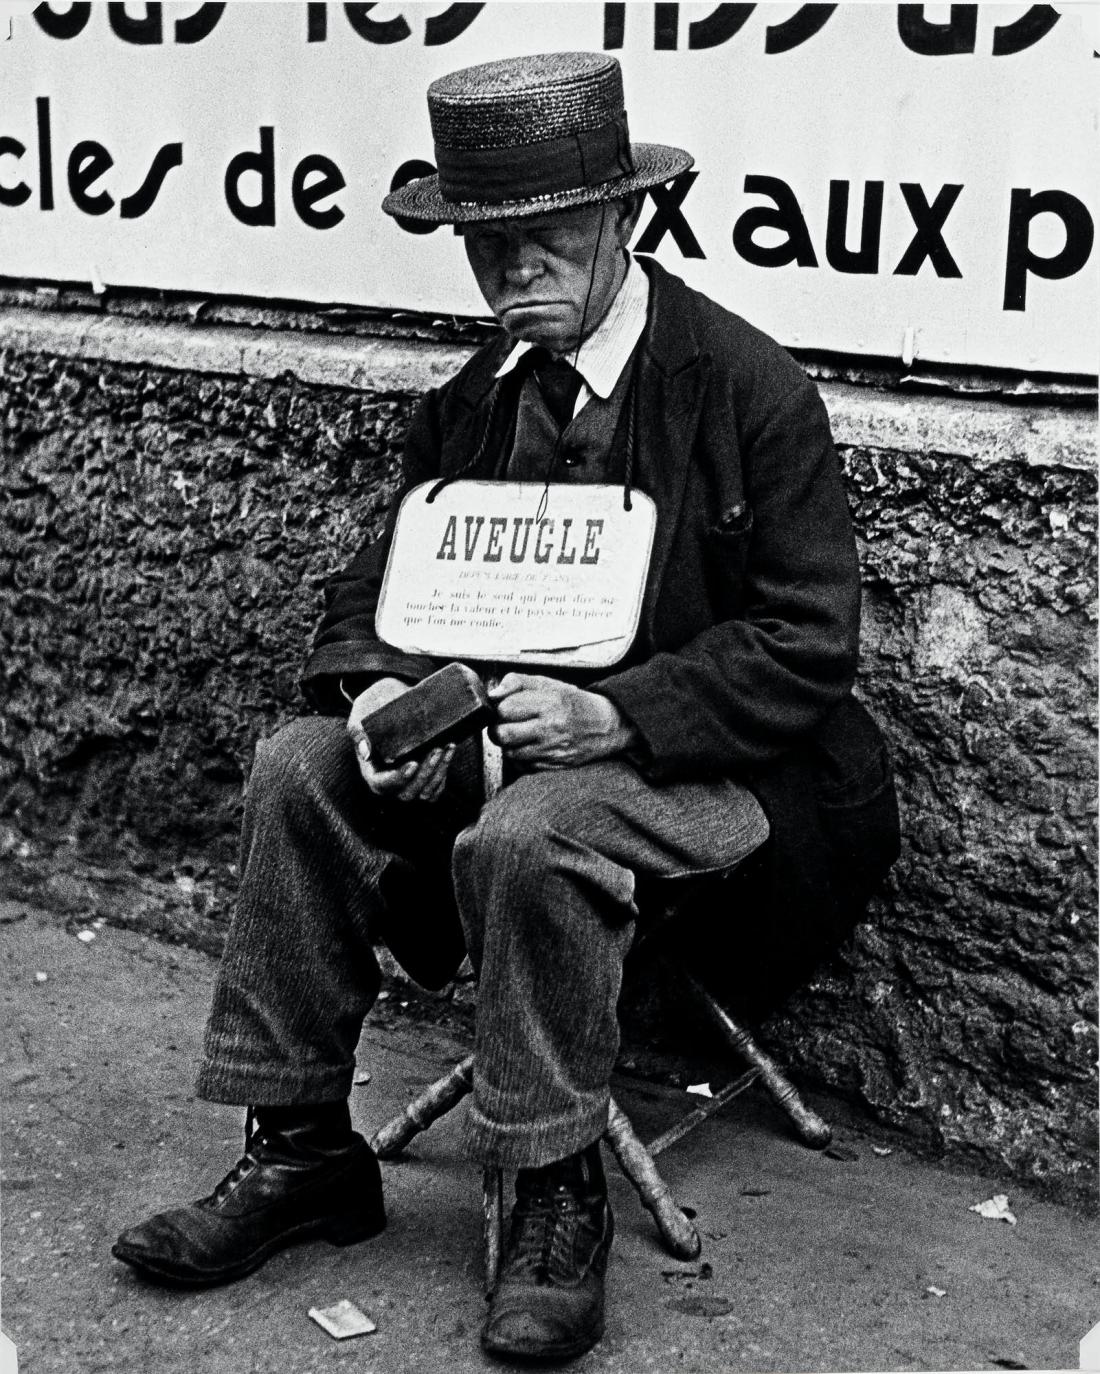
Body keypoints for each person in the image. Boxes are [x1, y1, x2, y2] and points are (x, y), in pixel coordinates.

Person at [112, 51, 899, 1364]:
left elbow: (809, 642)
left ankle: (552, 1182)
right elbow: (376, 591)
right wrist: (382, 697)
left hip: (716, 771)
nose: (512, 275)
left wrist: (624, 716)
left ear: (624, 219)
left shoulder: (746, 388)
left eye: (546, 243)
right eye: (487, 249)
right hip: (497, 774)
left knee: (538, 829)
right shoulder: (473, 404)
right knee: (299, 766)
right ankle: (304, 1147)